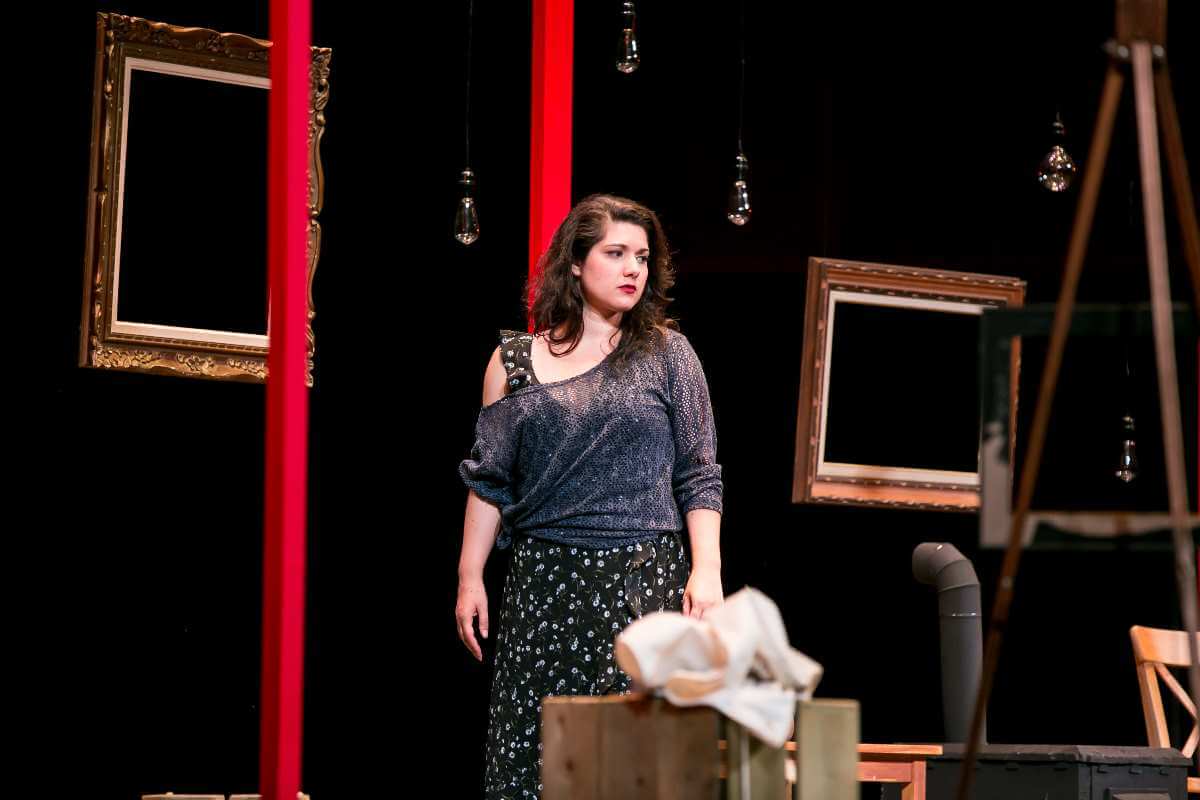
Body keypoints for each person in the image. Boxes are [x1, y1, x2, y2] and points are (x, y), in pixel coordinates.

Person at [456, 193, 724, 799]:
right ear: (576, 263)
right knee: (535, 764)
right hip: (544, 584)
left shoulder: (668, 354)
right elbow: (489, 479)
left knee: (637, 767)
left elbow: (699, 471)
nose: (634, 269)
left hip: (641, 580)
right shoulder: (514, 362)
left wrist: (706, 569)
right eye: (616, 253)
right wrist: (470, 576)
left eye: (643, 258)